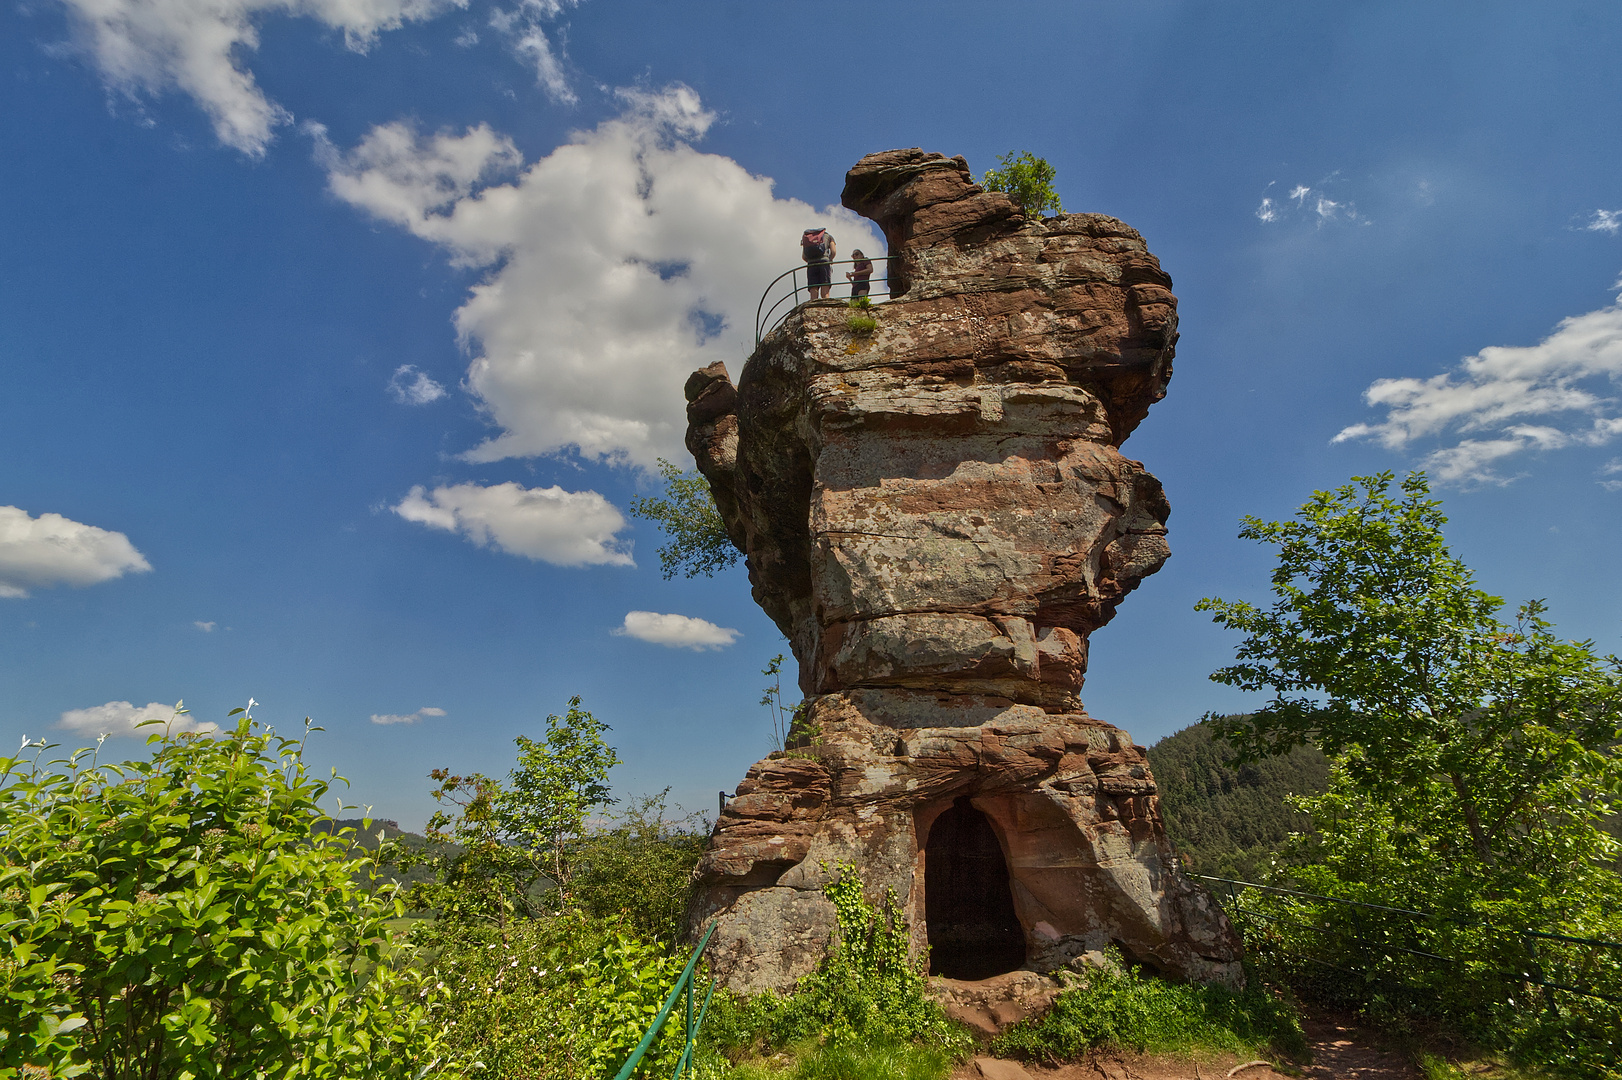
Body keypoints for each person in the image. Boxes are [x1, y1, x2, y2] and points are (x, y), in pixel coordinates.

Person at [801, 227, 836, 300]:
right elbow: (833, 251)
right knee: (825, 285)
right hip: (824, 262)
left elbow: (804, 256)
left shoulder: (807, 238)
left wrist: (811, 261)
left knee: (813, 288)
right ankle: (825, 302)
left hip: (811, 264)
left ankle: (814, 304)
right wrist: (830, 259)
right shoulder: (828, 236)